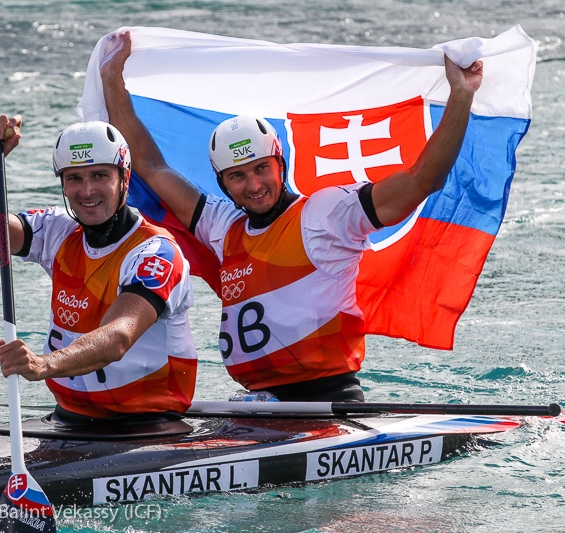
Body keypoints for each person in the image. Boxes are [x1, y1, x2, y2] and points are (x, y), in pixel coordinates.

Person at [100, 31, 483, 402]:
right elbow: (150, 166)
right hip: (257, 404)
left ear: (280, 163)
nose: (253, 185)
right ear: (222, 182)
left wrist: (460, 96)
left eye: (262, 168)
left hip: (327, 402)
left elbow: (421, 180)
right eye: (237, 176)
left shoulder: (328, 212)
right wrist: (113, 79)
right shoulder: (221, 225)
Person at [0, 116, 198, 421]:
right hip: (69, 420)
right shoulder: (56, 230)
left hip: (147, 426)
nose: (86, 190)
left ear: (125, 179)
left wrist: (42, 364)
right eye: (74, 178)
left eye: (100, 175)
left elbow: (117, 338)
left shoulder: (157, 252)